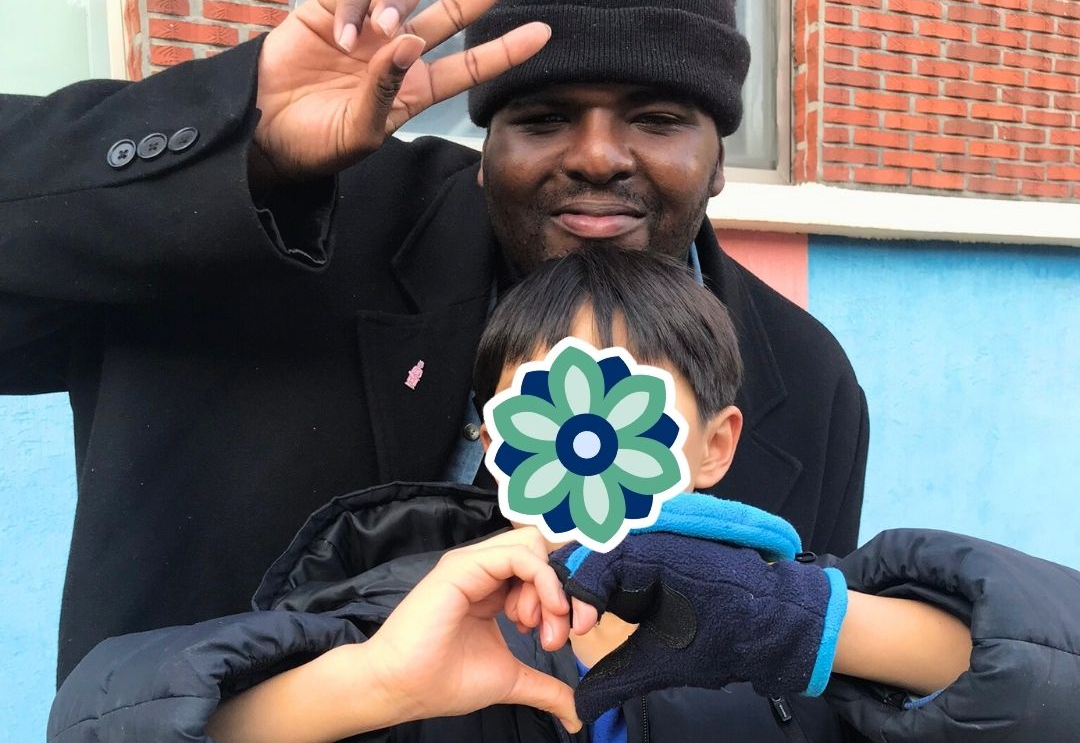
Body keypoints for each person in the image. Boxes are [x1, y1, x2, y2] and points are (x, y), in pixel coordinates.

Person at [0, 0, 866, 684]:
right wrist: (237, 141)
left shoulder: (808, 381)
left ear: (719, 159)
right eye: (543, 116)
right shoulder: (283, 222)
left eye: (658, 116)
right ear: (486, 148)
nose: (599, 155)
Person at [48, 248, 1080, 742]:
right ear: (498, 447)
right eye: (539, 410)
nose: (585, 448)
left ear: (718, 446)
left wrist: (806, 627)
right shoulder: (399, 604)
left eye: (626, 404)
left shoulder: (789, 619)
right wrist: (375, 686)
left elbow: (1039, 687)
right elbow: (108, 719)